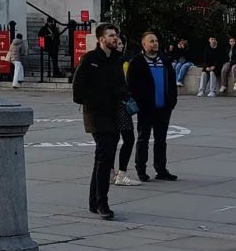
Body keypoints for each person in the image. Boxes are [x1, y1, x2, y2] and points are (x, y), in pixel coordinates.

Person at [72, 21, 124, 220]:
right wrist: (92, 101)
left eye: (116, 35)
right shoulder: (90, 59)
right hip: (96, 115)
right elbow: (77, 88)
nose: (115, 39)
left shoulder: (117, 58)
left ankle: (94, 201)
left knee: (104, 157)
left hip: (113, 113)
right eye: (111, 36)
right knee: (104, 155)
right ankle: (102, 202)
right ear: (101, 39)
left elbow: (120, 84)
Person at [127, 31, 178, 182]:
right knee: (143, 139)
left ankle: (161, 169)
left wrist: (172, 101)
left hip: (163, 107)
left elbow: (172, 82)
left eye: (156, 41)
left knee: (161, 139)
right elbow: (130, 85)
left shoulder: (164, 60)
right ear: (144, 44)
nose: (155, 43)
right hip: (146, 108)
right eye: (151, 41)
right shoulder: (137, 62)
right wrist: (139, 102)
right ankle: (141, 169)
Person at [113, 37, 141, 187]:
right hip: (119, 106)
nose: (121, 46)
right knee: (128, 138)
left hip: (116, 105)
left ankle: (112, 172)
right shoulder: (114, 62)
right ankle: (121, 174)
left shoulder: (118, 61)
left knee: (114, 140)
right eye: (118, 43)